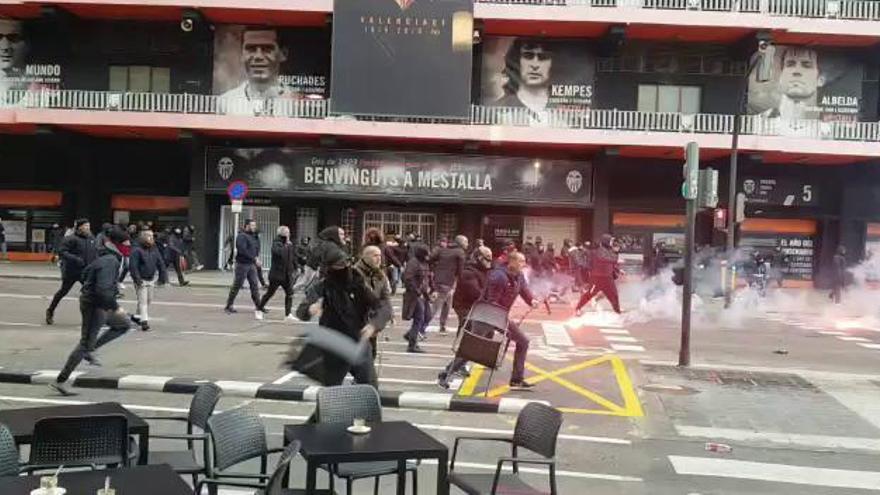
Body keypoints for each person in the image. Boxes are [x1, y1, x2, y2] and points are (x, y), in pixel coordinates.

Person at [50, 228, 133, 396]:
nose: (128, 247)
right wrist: (115, 307)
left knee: (123, 324)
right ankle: (61, 380)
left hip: (98, 303)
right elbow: (102, 289)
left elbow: (88, 272)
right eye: (125, 244)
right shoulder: (110, 261)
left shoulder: (106, 257)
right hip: (95, 305)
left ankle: (90, 349)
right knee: (85, 342)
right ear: (114, 244)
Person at [295, 249, 391, 389]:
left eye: (344, 266)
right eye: (337, 267)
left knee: (370, 387)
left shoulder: (357, 283)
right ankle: (325, 410)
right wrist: (310, 309)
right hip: (334, 343)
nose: (342, 270)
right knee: (332, 391)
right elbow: (301, 310)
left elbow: (381, 306)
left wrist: (373, 325)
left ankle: (366, 409)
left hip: (357, 341)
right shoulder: (324, 285)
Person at [437, 246, 493, 389]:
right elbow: (476, 293)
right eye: (487, 257)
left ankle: (456, 365)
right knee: (471, 344)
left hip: (477, 309)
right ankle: (448, 372)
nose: (489, 261)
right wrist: (491, 299)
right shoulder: (469, 272)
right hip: (466, 308)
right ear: (479, 258)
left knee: (475, 343)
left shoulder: (482, 271)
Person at [484, 251, 539, 390]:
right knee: (473, 345)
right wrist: (502, 316)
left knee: (523, 342)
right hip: (489, 314)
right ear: (512, 262)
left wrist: (531, 300)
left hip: (501, 315)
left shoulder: (518, 275)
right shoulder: (499, 276)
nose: (524, 264)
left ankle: (516, 379)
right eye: (521, 261)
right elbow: (491, 301)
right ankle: (447, 372)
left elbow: (524, 289)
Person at [220, 27, 293, 116]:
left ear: (283, 54)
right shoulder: (224, 103)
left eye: (267, 48)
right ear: (242, 54)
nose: (258, 56)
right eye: (251, 49)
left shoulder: (296, 102)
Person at [46, 219, 97, 325]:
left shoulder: (91, 238)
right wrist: (75, 259)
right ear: (79, 227)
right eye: (85, 226)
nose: (88, 228)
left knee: (92, 293)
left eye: (89, 226)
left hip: (86, 271)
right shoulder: (71, 239)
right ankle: (50, 311)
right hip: (71, 271)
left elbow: (95, 253)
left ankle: (92, 317)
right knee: (63, 292)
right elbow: (62, 252)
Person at [491, 39, 557, 121]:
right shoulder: (497, 110)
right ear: (516, 61)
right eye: (528, 56)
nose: (535, 65)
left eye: (543, 57)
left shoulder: (561, 108)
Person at [352, 245, 393, 366]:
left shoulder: (381, 276)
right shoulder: (353, 273)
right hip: (353, 321)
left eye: (380, 256)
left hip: (370, 322)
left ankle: (361, 380)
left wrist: (376, 324)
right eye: (375, 255)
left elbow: (385, 300)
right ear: (365, 256)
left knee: (370, 355)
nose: (379, 258)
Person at [129, 230, 167, 331]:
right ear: (142, 237)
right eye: (148, 236)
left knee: (149, 299)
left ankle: (137, 316)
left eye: (152, 236)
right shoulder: (136, 250)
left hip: (150, 279)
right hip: (141, 280)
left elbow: (160, 263)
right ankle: (144, 322)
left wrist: (162, 278)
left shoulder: (154, 249)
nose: (151, 238)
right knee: (143, 301)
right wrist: (137, 280)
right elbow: (133, 267)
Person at [225, 219, 264, 319]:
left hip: (251, 264)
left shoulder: (254, 236)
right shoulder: (241, 236)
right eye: (252, 225)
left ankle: (259, 306)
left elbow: (256, 249)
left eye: (255, 225)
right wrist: (254, 258)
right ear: (247, 226)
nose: (254, 227)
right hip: (242, 264)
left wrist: (257, 258)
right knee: (237, 285)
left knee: (254, 285)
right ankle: (229, 305)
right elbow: (242, 250)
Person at [258, 226, 298, 320]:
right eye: (287, 232)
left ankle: (288, 314)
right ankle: (259, 309)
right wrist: (286, 245)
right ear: (283, 234)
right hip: (276, 274)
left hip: (287, 274)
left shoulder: (289, 244)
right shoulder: (276, 243)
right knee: (270, 293)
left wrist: (296, 267)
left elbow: (292, 257)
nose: (289, 234)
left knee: (289, 293)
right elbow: (280, 254)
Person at [429, 234, 467, 334]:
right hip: (448, 281)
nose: (467, 244)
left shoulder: (443, 249)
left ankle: (442, 325)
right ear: (461, 243)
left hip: (439, 279)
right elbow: (460, 270)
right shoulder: (460, 252)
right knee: (437, 305)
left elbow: (431, 258)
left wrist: (435, 269)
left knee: (446, 304)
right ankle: (422, 325)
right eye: (466, 242)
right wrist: (461, 283)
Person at [575, 234, 622, 315]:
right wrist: (616, 259)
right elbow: (605, 259)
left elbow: (610, 264)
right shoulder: (599, 251)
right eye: (610, 241)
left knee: (614, 294)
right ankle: (578, 308)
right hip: (597, 278)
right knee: (589, 294)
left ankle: (617, 310)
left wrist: (618, 270)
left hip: (608, 278)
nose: (612, 243)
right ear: (606, 241)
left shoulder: (610, 251)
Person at [402, 244, 432, 353]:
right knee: (419, 318)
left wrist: (429, 292)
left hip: (422, 294)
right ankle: (412, 345)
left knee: (428, 315)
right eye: (427, 254)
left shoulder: (424, 263)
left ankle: (410, 335)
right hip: (414, 295)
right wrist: (416, 291)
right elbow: (408, 278)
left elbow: (426, 278)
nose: (428, 256)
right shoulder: (413, 263)